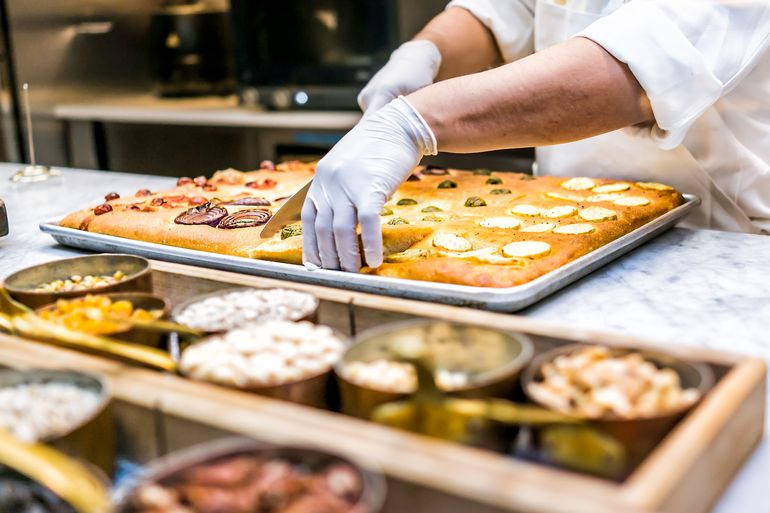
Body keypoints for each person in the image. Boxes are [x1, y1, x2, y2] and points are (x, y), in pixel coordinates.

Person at [301, 0, 770, 273]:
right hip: (560, 232)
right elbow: (509, 9)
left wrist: (415, 122)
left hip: (718, 245)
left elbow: (638, 65)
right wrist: (427, 49)